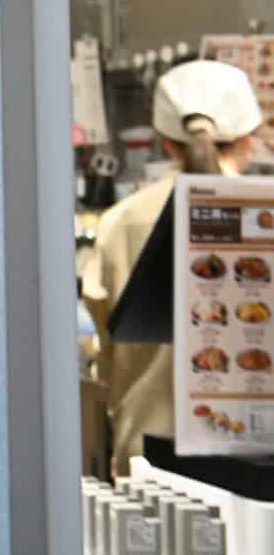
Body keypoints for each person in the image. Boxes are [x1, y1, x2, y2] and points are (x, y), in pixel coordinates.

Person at [82, 57, 262, 469]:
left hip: (147, 456)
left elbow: (106, 345)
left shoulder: (121, 221)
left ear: (166, 142)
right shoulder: (263, 212)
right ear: (249, 139)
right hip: (255, 459)